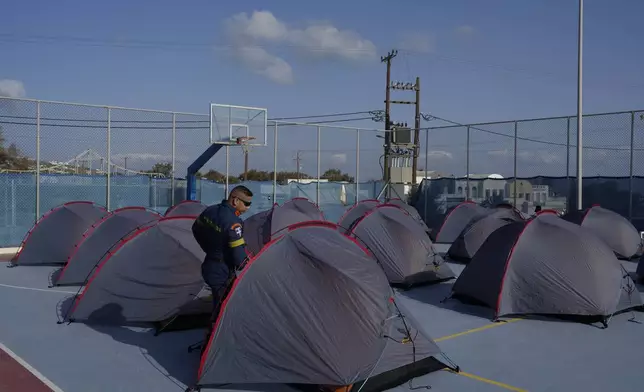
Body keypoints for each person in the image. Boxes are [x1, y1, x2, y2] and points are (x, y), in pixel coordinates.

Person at [192, 185, 253, 330]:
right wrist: (249, 268)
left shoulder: (210, 210)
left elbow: (196, 229)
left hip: (210, 264)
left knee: (217, 302)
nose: (248, 208)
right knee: (222, 308)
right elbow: (239, 256)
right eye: (246, 203)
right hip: (223, 269)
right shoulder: (233, 223)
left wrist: (210, 250)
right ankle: (214, 341)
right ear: (235, 201)